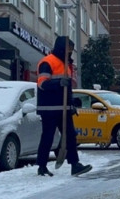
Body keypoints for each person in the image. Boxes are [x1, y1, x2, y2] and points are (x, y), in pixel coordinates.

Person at [35, 36, 92, 177]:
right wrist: (59, 82)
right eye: (68, 50)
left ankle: (75, 164)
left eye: (71, 51)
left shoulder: (67, 64)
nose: (70, 54)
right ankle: (41, 166)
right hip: (49, 108)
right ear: (62, 48)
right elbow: (42, 83)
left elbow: (67, 90)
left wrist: (71, 104)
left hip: (64, 107)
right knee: (48, 137)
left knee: (70, 136)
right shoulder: (47, 62)